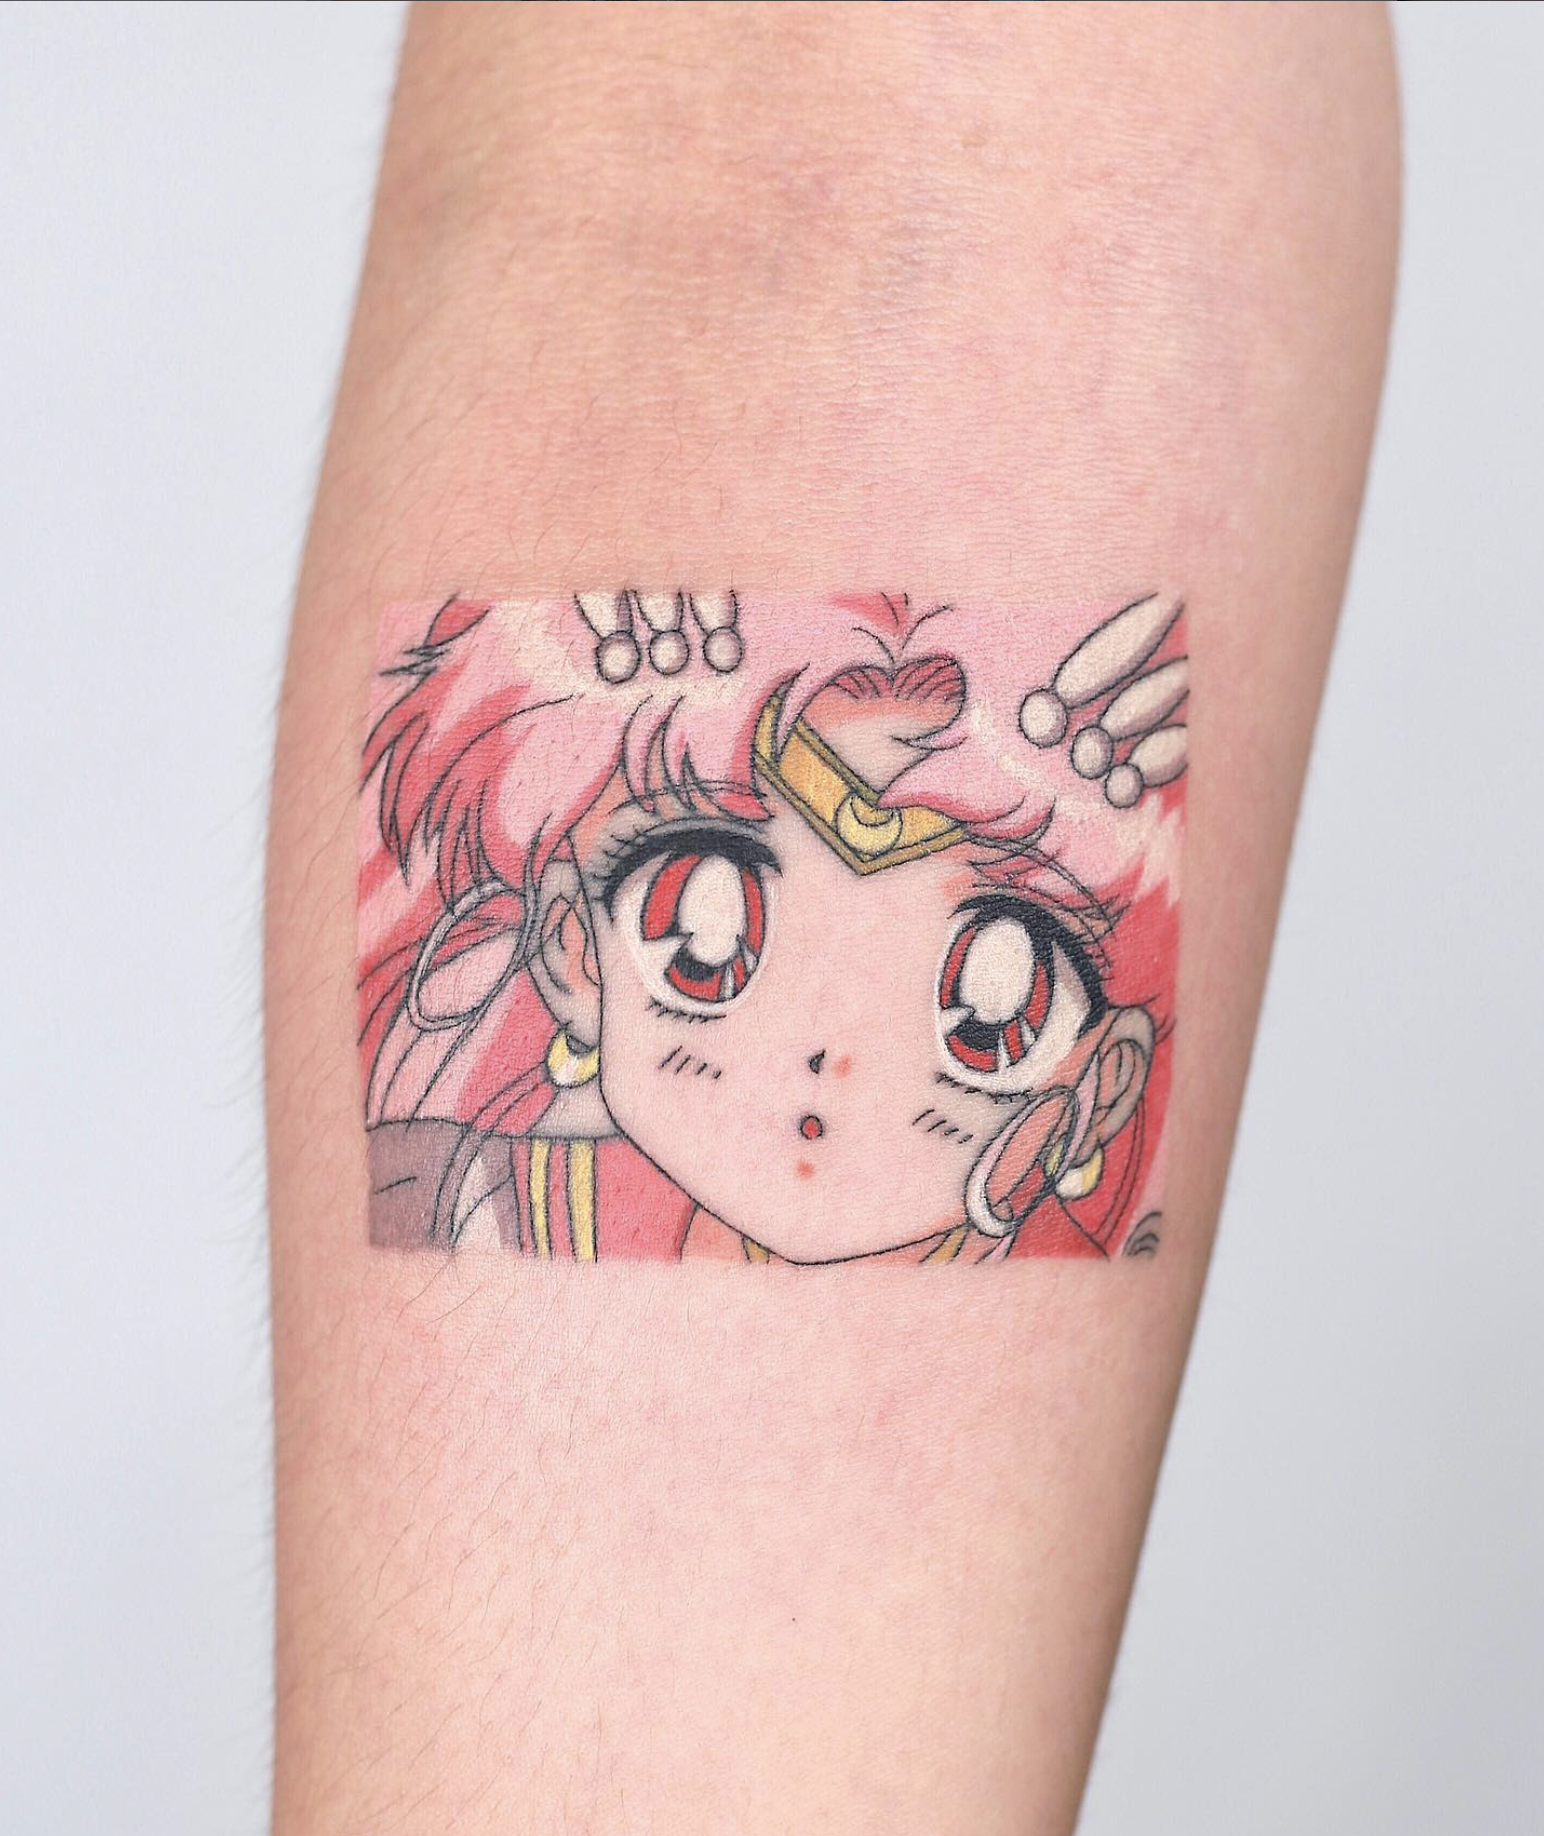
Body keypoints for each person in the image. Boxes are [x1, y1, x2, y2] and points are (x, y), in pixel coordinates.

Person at [265, 5, 1399, 1830]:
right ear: (573, 959)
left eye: (989, 1001)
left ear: (1095, 1088)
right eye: (705, 929)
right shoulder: (492, 1182)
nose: (822, 1061)